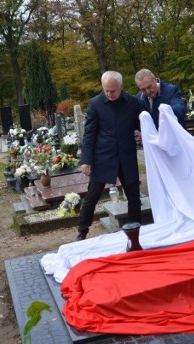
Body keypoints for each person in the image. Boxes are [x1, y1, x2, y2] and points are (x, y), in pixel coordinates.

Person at [76, 71, 145, 241]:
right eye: (106, 90)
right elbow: (89, 134)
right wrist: (86, 160)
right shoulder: (95, 104)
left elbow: (142, 122)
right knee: (92, 196)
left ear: (121, 87)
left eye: (113, 90)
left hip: (126, 155)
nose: (109, 94)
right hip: (103, 157)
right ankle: (82, 231)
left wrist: (143, 131)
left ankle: (135, 232)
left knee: (134, 196)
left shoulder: (132, 102)